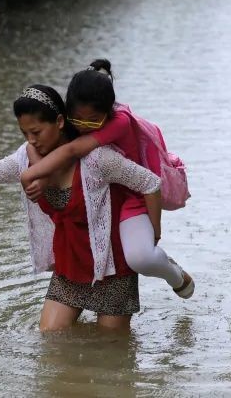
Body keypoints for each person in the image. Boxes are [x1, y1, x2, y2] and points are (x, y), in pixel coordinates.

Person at [0, 85, 163, 332]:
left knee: (110, 346)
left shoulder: (97, 159)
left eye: (36, 132)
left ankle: (173, 272)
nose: (31, 140)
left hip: (112, 269)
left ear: (59, 122)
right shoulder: (26, 158)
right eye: (25, 133)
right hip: (70, 267)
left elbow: (151, 183)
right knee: (50, 338)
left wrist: (154, 234)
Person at [19, 59, 195, 299]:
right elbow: (31, 146)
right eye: (77, 120)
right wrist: (42, 175)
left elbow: (72, 150)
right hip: (102, 199)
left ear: (108, 112)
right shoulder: (72, 122)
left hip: (132, 196)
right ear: (67, 114)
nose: (84, 127)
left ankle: (174, 274)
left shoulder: (119, 121)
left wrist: (155, 230)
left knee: (142, 257)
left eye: (93, 120)